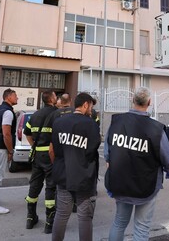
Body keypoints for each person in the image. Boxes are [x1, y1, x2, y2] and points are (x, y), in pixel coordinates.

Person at [105, 87, 169, 241]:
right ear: (149, 102)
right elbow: (167, 158)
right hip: (146, 185)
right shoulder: (156, 129)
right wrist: (168, 171)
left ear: (133, 100)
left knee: (119, 222)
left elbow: (107, 151)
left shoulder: (116, 122)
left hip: (120, 182)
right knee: (142, 227)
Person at [50, 93, 101, 241]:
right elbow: (92, 150)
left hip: (63, 174)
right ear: (85, 105)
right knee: (85, 218)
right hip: (83, 177)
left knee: (61, 214)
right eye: (91, 106)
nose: (92, 109)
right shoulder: (91, 124)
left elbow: (53, 149)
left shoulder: (59, 122)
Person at [24, 91, 58, 232]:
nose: (57, 97)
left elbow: (27, 133)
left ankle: (30, 218)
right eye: (55, 96)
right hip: (50, 155)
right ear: (51, 99)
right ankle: (49, 223)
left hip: (37, 154)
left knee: (35, 185)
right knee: (51, 187)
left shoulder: (35, 114)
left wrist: (34, 146)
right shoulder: (57, 114)